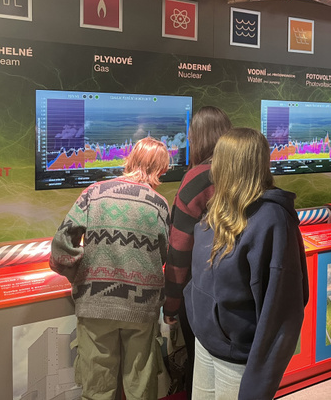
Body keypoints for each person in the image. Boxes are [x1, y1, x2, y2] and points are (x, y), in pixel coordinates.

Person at [183, 128, 309, 400]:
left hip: (238, 358)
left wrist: (258, 383)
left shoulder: (272, 220)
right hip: (206, 343)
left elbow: (282, 313)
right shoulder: (219, 207)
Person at [49, 137, 171, 400]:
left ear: (130, 159)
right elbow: (164, 255)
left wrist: (79, 274)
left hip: (95, 303)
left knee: (97, 388)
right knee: (141, 386)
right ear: (161, 169)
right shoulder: (160, 204)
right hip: (142, 307)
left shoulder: (94, 193)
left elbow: (61, 245)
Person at [163, 106, 232, 398]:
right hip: (241, 289)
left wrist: (171, 304)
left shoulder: (198, 178)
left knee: (200, 366)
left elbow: (179, 249)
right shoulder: (242, 172)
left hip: (203, 292)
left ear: (198, 139)